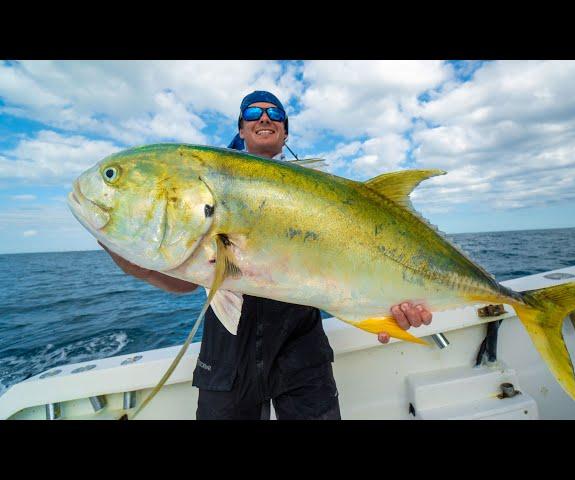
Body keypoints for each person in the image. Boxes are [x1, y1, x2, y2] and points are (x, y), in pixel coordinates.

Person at [100, 90, 433, 420]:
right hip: (227, 356)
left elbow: (354, 268)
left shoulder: (320, 192)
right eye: (252, 113)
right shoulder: (214, 184)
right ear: (241, 129)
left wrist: (390, 307)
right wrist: (137, 266)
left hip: (302, 350)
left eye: (275, 114)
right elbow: (190, 282)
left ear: (285, 131)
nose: (264, 117)